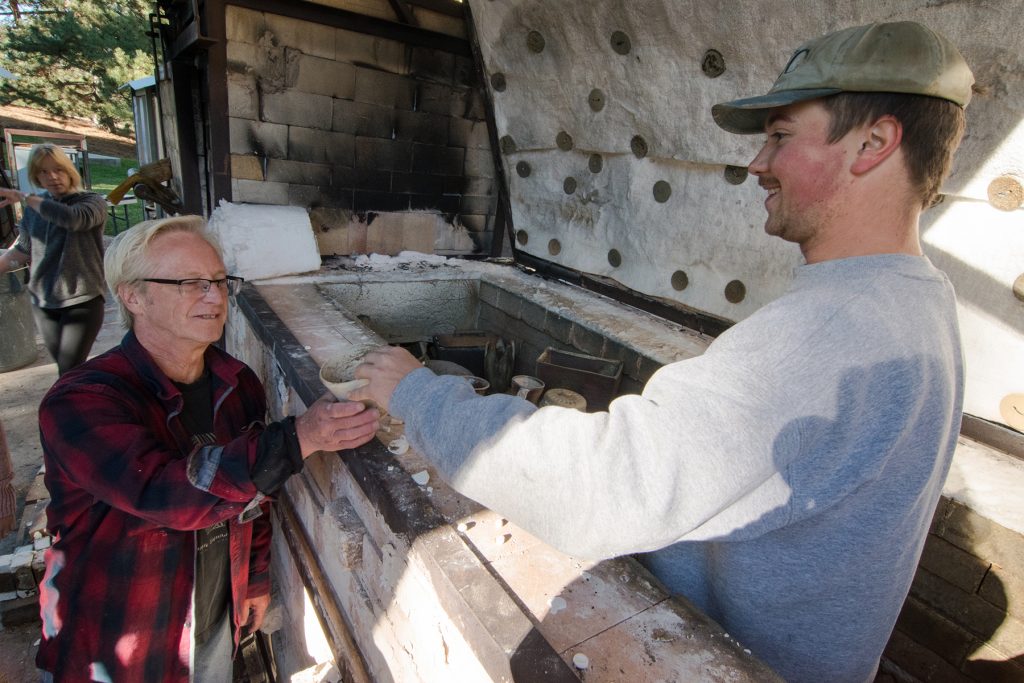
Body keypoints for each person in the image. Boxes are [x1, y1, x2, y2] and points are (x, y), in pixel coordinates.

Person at [352, 21, 972, 683]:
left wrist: (415, 391)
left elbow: (602, 489)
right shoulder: (920, 298)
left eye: (782, 136)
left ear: (873, 143)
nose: (758, 163)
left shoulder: (830, 329)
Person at [35, 216, 379, 682]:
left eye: (219, 281)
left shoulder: (236, 383)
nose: (216, 299)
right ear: (133, 296)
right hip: (119, 636)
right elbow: (165, 494)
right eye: (190, 284)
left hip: (215, 613)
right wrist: (300, 437)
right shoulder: (83, 401)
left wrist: (255, 579)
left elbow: (254, 499)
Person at [0, 143, 108, 375]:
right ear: (35, 176)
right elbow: (23, 250)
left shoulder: (91, 202)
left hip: (82, 300)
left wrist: (25, 198)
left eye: (58, 169)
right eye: (43, 171)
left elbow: (73, 220)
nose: (52, 177)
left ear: (69, 170)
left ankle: (79, 408)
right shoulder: (32, 208)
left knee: (70, 369)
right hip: (43, 302)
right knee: (66, 369)